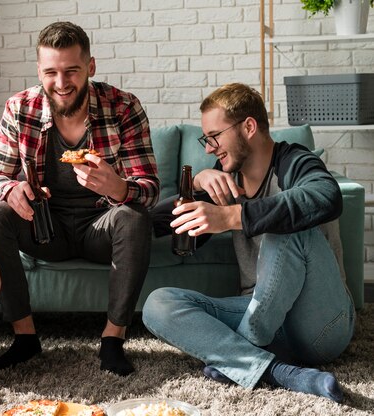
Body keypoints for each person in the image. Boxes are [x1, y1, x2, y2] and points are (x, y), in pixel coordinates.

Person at [143, 83, 355, 402]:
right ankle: (277, 371)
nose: (209, 148)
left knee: (287, 226)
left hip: (321, 323)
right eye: (206, 139)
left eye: (214, 136)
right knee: (158, 304)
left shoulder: (293, 161)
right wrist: (198, 183)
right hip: (258, 311)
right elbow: (155, 222)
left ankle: (242, 352)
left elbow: (327, 197)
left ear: (249, 127)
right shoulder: (224, 179)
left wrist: (232, 216)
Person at [0, 21, 159, 376]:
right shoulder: (20, 108)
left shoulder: (123, 107)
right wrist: (12, 191)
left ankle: (112, 340)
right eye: (51, 73)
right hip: (46, 229)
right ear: (39, 71)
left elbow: (149, 187)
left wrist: (119, 188)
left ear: (90, 67)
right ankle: (25, 338)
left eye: (72, 71)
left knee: (134, 217)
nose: (61, 84)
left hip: (101, 229)